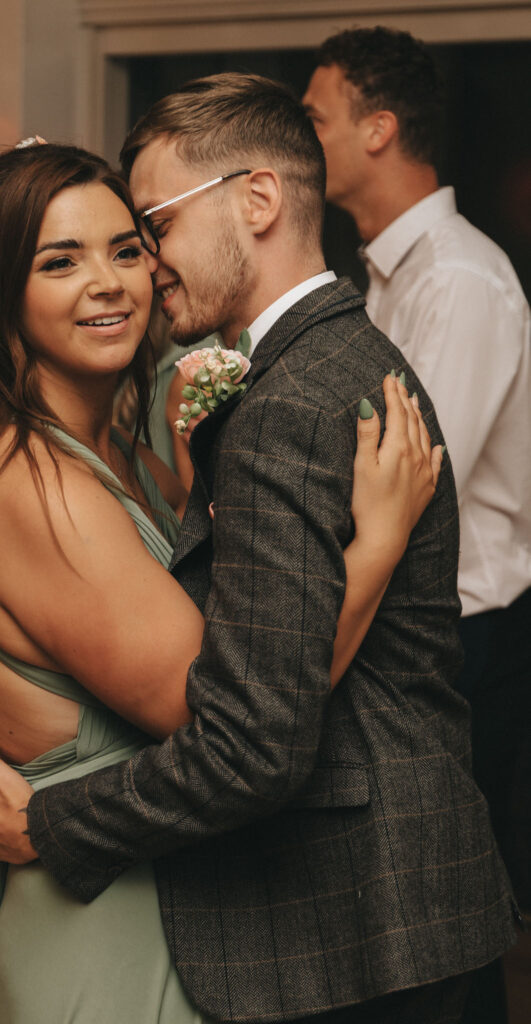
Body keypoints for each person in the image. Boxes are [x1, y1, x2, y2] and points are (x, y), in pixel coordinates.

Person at [0, 75, 516, 1023]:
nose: (133, 274)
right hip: (329, 905)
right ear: (5, 294)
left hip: (358, 915)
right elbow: (244, 714)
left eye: (142, 237)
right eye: (60, 261)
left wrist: (47, 822)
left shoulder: (280, 403)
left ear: (256, 201)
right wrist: (368, 553)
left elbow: (246, 732)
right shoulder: (308, 371)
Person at [303, 29, 531, 1019]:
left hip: (463, 637)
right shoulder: (384, 274)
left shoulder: (457, 279)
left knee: (441, 916)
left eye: (313, 118)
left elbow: (409, 479)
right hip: (411, 618)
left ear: (378, 129)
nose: (300, 135)